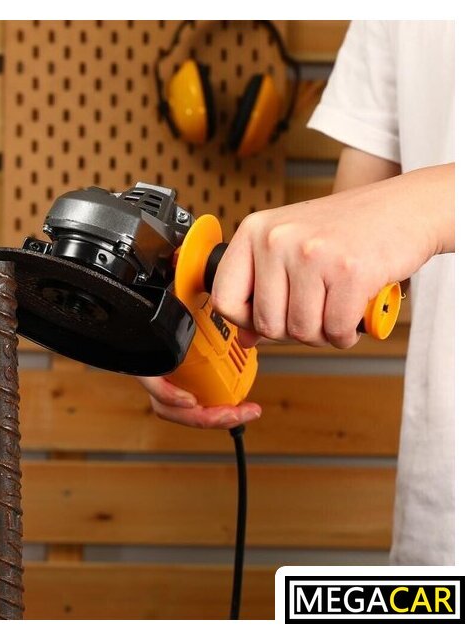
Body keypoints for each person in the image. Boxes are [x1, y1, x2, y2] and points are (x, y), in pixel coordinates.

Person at [138, 20, 455, 565]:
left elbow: (402, 215)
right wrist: (176, 315)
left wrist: (433, 203)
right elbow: (351, 257)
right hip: (441, 507)